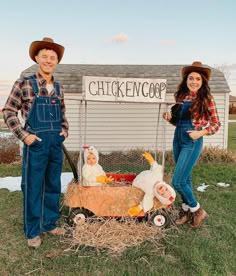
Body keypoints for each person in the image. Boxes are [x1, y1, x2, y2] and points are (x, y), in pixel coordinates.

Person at [3, 37, 69, 248]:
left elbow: (64, 115)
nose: (49, 60)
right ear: (37, 58)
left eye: (53, 57)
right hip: (36, 145)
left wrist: (64, 132)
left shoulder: (58, 88)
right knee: (32, 187)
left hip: (55, 145)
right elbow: (9, 111)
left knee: (52, 185)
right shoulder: (24, 83)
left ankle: (49, 223)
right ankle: (32, 231)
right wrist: (24, 136)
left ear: (57, 61)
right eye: (45, 56)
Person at [163, 61, 221, 228]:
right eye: (190, 78)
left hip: (192, 141)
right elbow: (179, 122)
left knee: (178, 181)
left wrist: (200, 132)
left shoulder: (206, 99)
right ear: (186, 80)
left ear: (202, 82)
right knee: (185, 178)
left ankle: (197, 210)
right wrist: (169, 118)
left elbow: (216, 124)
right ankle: (186, 210)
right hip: (178, 138)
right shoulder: (181, 97)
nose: (193, 82)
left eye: (197, 79)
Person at [128, 152, 176, 216]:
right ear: (167, 186)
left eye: (162, 194)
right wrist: (151, 160)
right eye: (166, 189)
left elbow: (147, 202)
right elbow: (156, 167)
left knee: (135, 189)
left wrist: (138, 208)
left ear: (159, 196)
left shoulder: (151, 192)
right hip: (142, 174)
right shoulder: (159, 176)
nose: (162, 190)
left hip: (136, 183)